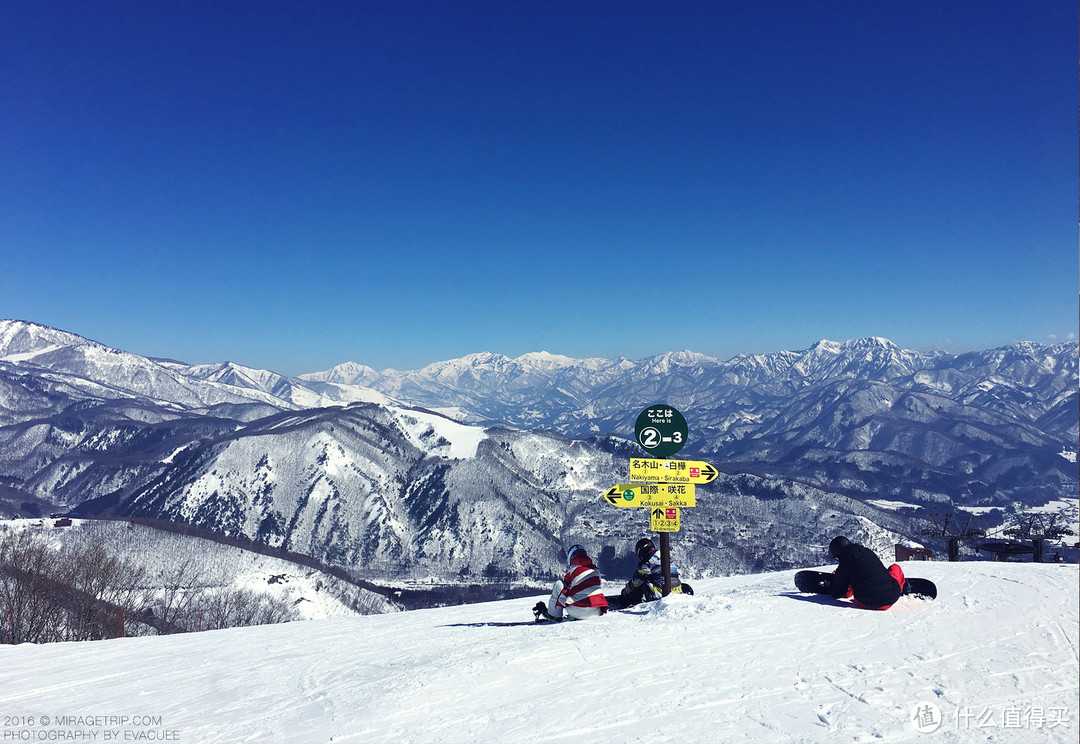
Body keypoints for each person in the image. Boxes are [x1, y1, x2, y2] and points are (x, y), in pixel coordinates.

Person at [827, 536, 905, 611]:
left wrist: (834, 584)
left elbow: (840, 592)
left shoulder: (845, 564)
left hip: (867, 602)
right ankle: (900, 586)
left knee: (852, 580)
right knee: (895, 567)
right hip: (893, 596)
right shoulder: (867, 551)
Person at [533, 544, 608, 622]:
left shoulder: (573, 570)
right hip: (597, 610)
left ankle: (554, 615)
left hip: (578, 611)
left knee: (559, 584)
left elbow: (564, 587)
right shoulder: (595, 570)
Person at [619, 537, 684, 606]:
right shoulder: (666, 557)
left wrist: (625, 592)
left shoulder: (646, 565)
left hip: (659, 596)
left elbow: (635, 582)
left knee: (641, 584)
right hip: (677, 591)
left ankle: (633, 602)